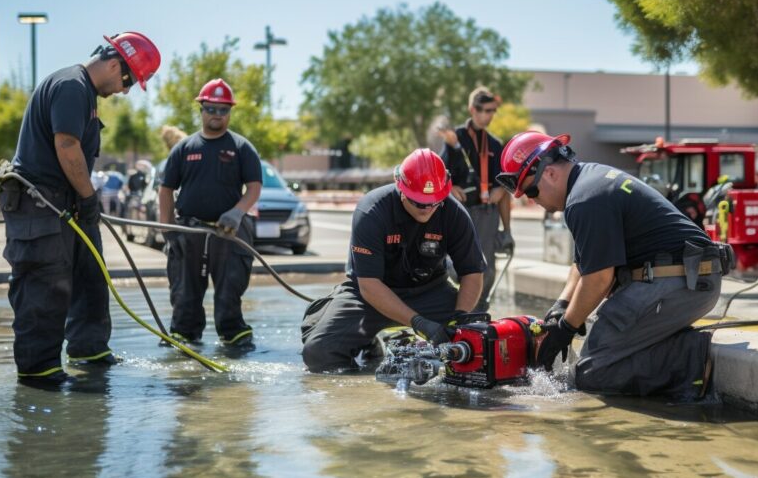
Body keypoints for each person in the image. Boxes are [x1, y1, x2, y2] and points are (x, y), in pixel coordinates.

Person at [496, 131, 731, 399]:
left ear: (549, 173)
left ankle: (690, 359)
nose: (531, 200)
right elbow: (584, 262)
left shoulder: (584, 200)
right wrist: (561, 307)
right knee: (599, 351)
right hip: (683, 279)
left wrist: (566, 329)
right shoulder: (588, 181)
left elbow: (598, 279)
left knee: (592, 374)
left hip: (681, 282)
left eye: (531, 191)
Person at [0, 31, 161, 387]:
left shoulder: (84, 95)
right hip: (42, 206)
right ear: (115, 63)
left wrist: (84, 201)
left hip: (65, 204)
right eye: (129, 80)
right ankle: (39, 372)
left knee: (90, 275)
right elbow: (67, 144)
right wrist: (89, 197)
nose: (125, 89)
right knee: (45, 286)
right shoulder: (72, 86)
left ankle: (89, 350)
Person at [301, 148, 487, 372]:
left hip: (430, 292)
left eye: (434, 202)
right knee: (318, 353)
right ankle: (368, 343)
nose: (427, 208)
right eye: (419, 202)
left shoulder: (454, 213)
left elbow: (472, 273)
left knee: (480, 344)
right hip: (370, 295)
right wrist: (418, 322)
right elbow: (369, 285)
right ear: (401, 188)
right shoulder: (371, 211)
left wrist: (459, 319)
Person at [158, 78, 263, 348]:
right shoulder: (184, 149)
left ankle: (233, 335)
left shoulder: (241, 148)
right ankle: (184, 334)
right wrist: (167, 228)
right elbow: (166, 189)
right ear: (201, 109)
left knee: (230, 289)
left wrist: (237, 213)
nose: (217, 115)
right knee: (184, 291)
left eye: (223, 110)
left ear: (230, 112)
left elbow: (254, 187)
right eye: (211, 109)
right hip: (189, 230)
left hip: (228, 232)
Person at [439, 87, 512, 312]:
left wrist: (506, 228)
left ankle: (479, 315)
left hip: (488, 214)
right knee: (457, 266)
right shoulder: (455, 139)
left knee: (487, 270)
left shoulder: (495, 144)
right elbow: (439, 174)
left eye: (493, 111)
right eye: (486, 110)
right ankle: (458, 310)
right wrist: (451, 188)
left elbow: (505, 182)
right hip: (462, 212)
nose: (490, 115)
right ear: (473, 109)